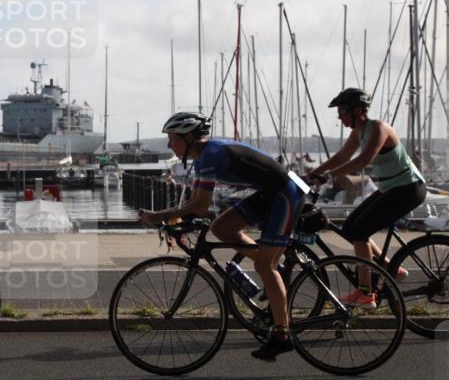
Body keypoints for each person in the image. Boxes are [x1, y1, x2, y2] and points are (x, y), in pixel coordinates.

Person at [140, 112, 308, 361]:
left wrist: (157, 216)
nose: (168, 145)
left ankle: (282, 335)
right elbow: (198, 205)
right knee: (221, 228)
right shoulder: (202, 158)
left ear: (188, 138)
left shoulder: (210, 155)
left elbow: (198, 205)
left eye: (171, 138)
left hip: (286, 193)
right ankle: (276, 267)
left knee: (264, 265)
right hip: (270, 192)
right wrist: (181, 219)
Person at [308, 88, 426, 308]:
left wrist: (328, 176)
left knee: (361, 233)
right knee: (351, 227)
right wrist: (313, 174)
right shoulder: (358, 132)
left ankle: (366, 293)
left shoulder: (379, 128)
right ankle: (392, 269)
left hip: (409, 187)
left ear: (357, 110)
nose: (339, 116)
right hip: (391, 188)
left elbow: (363, 160)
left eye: (342, 111)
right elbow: (341, 157)